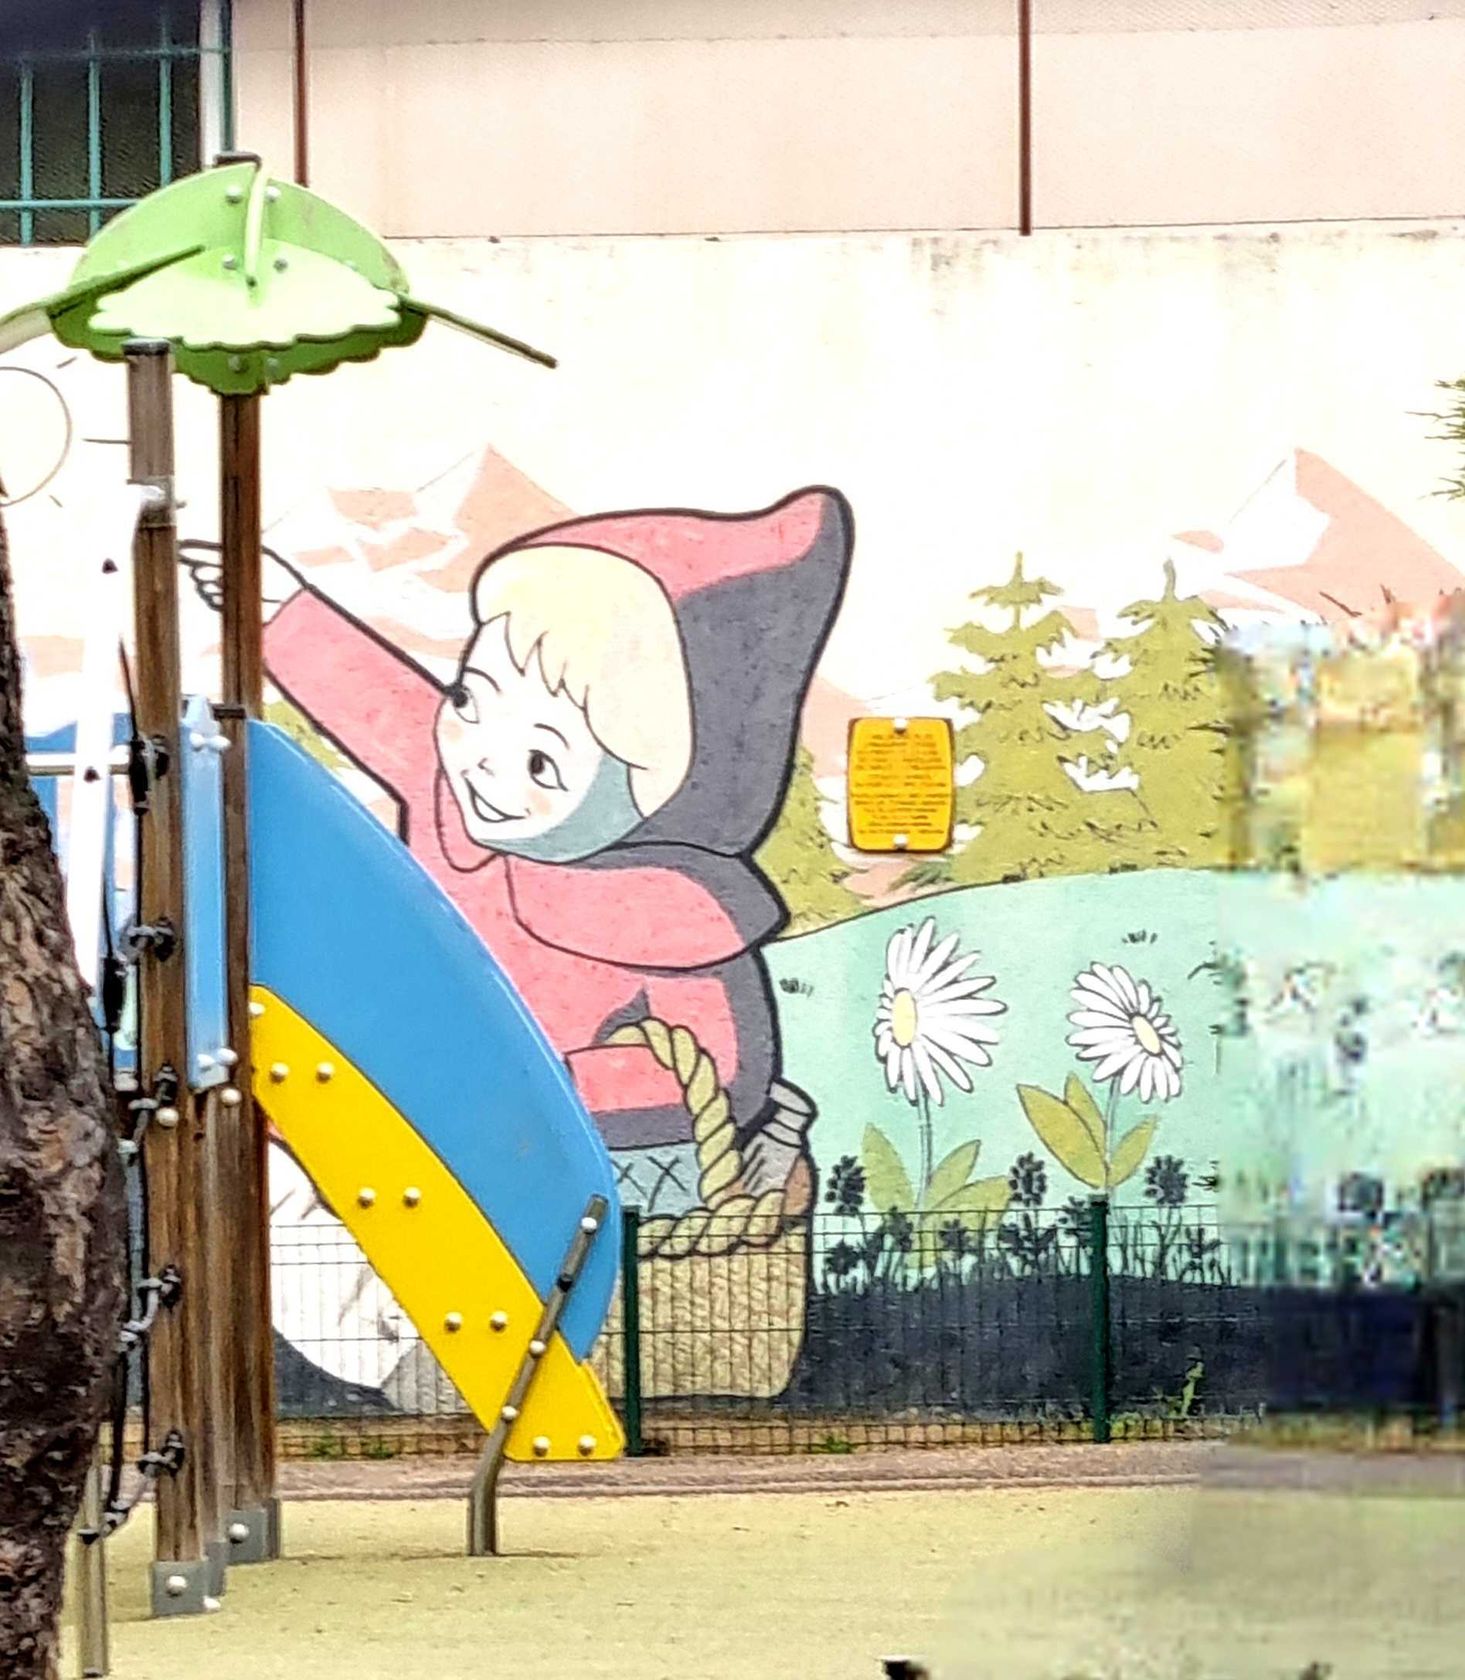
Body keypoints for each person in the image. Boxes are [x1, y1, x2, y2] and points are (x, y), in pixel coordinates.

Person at [183, 486, 851, 1216]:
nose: (482, 764)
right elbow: (382, 704)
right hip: (433, 1131)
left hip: (569, 1175)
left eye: (541, 761)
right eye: (470, 703)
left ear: (655, 785)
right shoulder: (454, 801)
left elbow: (715, 1072)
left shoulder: (668, 916)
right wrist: (285, 609)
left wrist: (540, 1087)